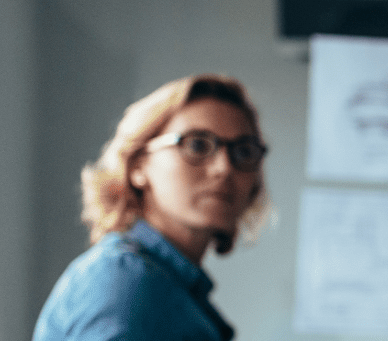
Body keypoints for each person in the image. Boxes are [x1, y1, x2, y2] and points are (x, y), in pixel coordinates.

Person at [34, 74, 271, 341]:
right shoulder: (125, 280)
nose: (224, 168)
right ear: (138, 165)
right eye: (197, 145)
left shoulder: (175, 288)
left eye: (244, 152)